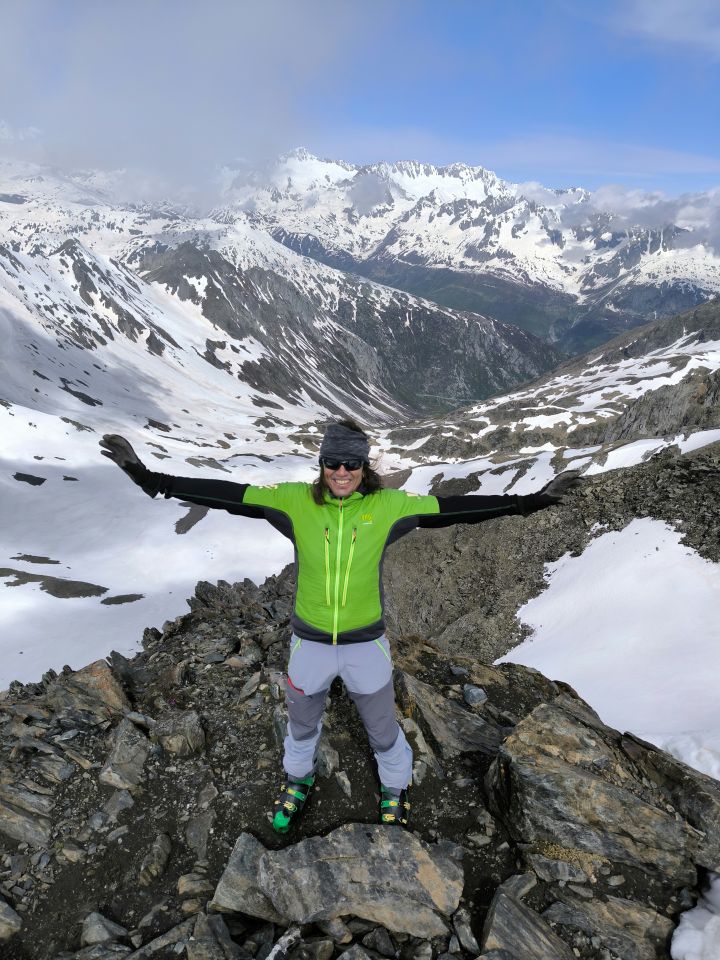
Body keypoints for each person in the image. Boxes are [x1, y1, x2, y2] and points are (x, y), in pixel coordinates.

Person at [100, 421, 580, 832]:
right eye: (333, 463)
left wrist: (530, 502)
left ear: (365, 466)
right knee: (301, 726)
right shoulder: (294, 502)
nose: (342, 472)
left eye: (352, 463)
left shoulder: (390, 506)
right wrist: (151, 480)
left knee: (382, 728)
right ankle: (299, 780)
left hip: (365, 644)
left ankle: (394, 789)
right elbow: (228, 495)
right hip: (308, 644)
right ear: (322, 464)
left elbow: (453, 510)